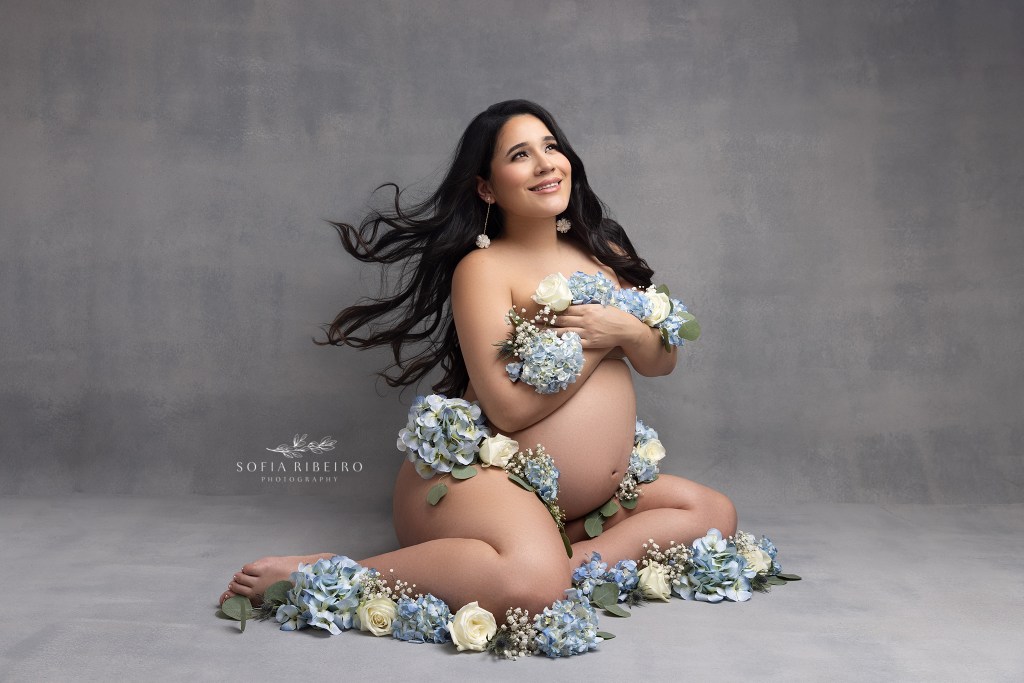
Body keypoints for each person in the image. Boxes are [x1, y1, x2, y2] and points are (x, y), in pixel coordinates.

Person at [219, 100, 736, 617]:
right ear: (487, 188)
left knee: (712, 512)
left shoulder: (605, 248)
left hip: (578, 509)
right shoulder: (484, 268)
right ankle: (328, 573)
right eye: (520, 155)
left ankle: (564, 563)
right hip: (476, 481)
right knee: (532, 586)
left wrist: (625, 329)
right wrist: (598, 341)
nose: (545, 164)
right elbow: (507, 411)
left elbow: (660, 360)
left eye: (550, 146)